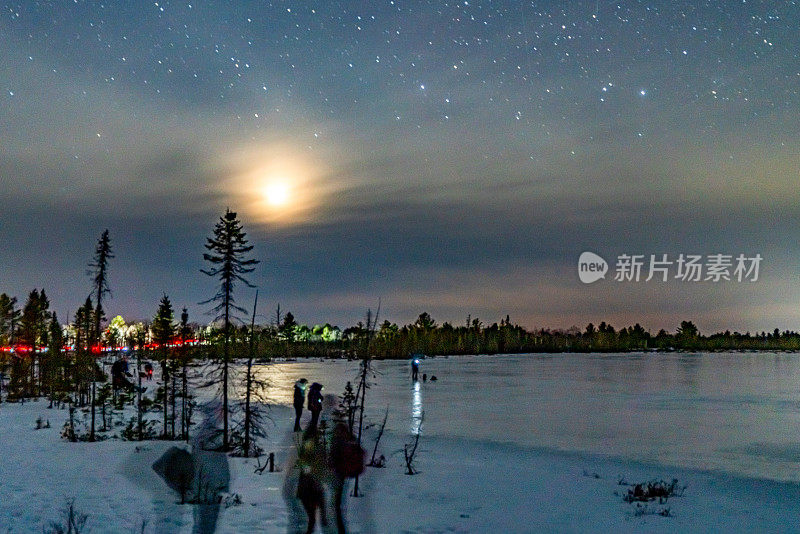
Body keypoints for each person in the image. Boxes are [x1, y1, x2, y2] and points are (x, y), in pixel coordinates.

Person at [329, 422, 365, 533]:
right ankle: (340, 528)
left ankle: (340, 530)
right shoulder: (351, 439)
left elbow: (332, 459)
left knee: (335, 506)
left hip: (338, 474)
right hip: (344, 474)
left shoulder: (337, 441)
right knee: (338, 504)